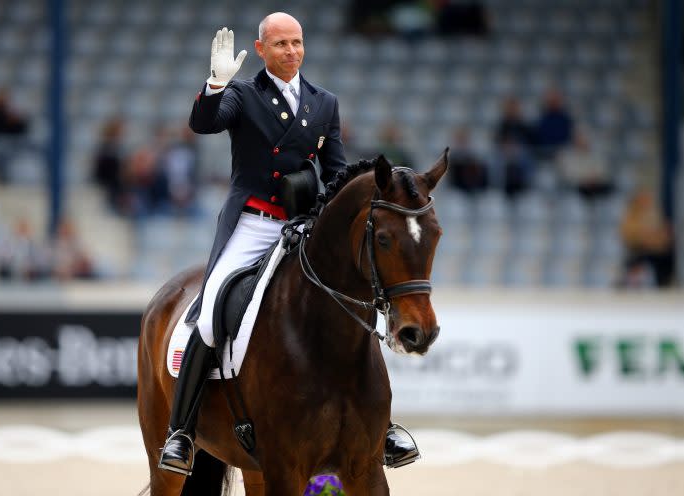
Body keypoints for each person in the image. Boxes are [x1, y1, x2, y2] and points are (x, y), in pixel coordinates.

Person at [158, 12, 420, 475]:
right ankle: (181, 430)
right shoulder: (243, 95)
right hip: (252, 223)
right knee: (213, 310)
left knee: (348, 308)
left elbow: (336, 171)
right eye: (281, 44)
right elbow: (204, 123)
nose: (292, 51)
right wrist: (215, 85)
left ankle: (380, 424)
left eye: (297, 42)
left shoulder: (324, 103)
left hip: (302, 223)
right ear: (261, 50)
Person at [619, 189, 675, 288]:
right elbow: (630, 237)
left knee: (667, 259)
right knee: (636, 261)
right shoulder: (631, 217)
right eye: (643, 199)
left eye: (648, 199)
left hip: (659, 256)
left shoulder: (656, 216)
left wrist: (650, 238)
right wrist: (649, 238)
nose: (646, 202)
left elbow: (665, 240)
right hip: (640, 254)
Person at [492, 97, 535, 197]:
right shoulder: (503, 124)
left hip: (520, 151)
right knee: (497, 160)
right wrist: (507, 146)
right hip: (504, 152)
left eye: (514, 108)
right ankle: (499, 185)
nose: (512, 110)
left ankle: (525, 185)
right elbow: (498, 140)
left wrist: (516, 146)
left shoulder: (522, 124)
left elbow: (529, 140)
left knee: (526, 157)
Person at [447, 127, 488, 194]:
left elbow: (479, 177)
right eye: (459, 139)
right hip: (457, 190)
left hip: (473, 188)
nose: (461, 142)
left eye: (463, 139)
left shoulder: (474, 157)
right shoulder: (450, 158)